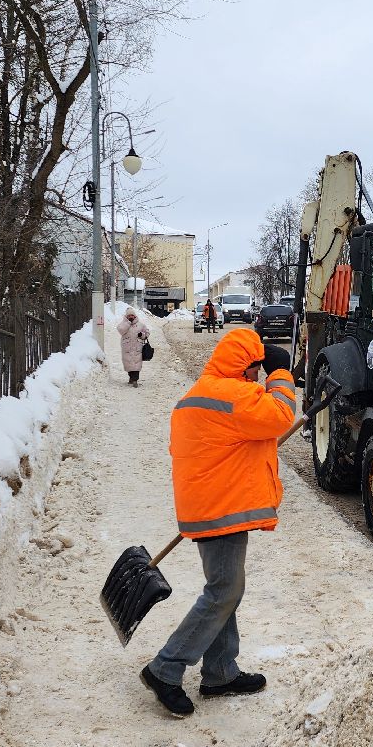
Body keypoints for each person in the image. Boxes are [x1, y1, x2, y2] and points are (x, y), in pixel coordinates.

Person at [140, 329, 295, 716]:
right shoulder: (233, 395)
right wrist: (281, 374)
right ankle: (166, 668)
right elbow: (279, 416)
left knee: (227, 588)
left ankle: (220, 671)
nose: (258, 378)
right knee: (224, 590)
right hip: (220, 507)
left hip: (209, 504)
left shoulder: (200, 393)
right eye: (256, 370)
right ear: (244, 368)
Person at [117, 307, 149, 386]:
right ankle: (131, 378)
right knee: (128, 364)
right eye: (129, 315)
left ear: (135, 316)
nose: (131, 317)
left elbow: (147, 333)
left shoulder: (140, 325)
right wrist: (128, 323)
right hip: (127, 348)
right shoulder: (123, 324)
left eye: (132, 315)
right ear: (126, 316)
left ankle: (135, 380)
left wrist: (142, 335)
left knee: (136, 364)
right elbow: (121, 331)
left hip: (137, 348)